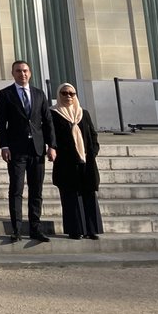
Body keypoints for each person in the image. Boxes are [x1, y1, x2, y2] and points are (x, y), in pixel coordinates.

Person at [0, 59, 57, 242]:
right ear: (13, 73)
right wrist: (4, 145)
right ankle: (16, 229)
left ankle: (35, 228)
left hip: (37, 149)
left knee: (36, 190)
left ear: (29, 73)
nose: (22, 74)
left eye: (25, 71)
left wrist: (52, 146)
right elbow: (1, 123)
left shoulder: (39, 94)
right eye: (18, 71)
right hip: (16, 150)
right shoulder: (6, 94)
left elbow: (47, 121)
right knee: (16, 189)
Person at [50, 83, 103, 240]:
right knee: (71, 197)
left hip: (86, 162)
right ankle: (76, 230)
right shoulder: (53, 114)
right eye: (64, 93)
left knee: (88, 194)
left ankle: (92, 229)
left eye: (71, 93)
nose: (68, 96)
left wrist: (91, 152)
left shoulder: (83, 114)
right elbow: (51, 137)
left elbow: (92, 135)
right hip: (66, 163)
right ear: (59, 95)